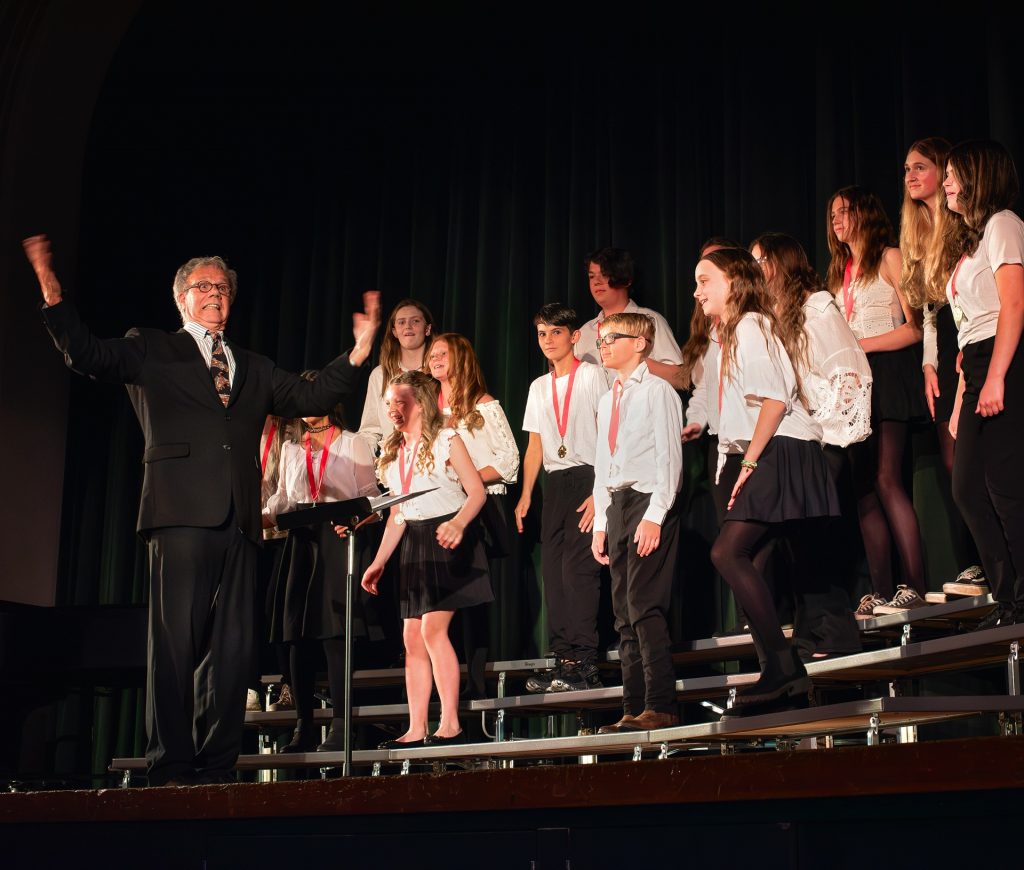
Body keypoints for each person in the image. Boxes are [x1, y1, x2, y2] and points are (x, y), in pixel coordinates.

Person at [22, 234, 380, 785]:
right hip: (179, 512)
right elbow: (88, 354)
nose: (214, 295)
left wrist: (357, 352)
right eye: (203, 287)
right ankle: (172, 763)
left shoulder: (254, 365)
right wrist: (52, 294)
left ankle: (217, 762)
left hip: (240, 519)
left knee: (233, 647)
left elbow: (309, 399)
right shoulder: (152, 346)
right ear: (181, 299)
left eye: (222, 288)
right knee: (175, 642)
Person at [695, 247, 838, 715]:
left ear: (733, 283)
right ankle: (775, 670)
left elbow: (775, 401)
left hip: (781, 447)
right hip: (770, 448)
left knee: (726, 552)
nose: (697, 293)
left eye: (704, 281)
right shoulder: (734, 331)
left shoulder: (750, 325)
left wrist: (750, 465)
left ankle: (783, 665)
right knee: (749, 556)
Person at [750, 232, 870, 658]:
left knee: (816, 539)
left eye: (760, 260)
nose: (755, 269)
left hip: (829, 439)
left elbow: (849, 370)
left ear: (781, 263)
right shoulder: (774, 316)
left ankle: (834, 634)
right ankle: (810, 634)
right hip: (799, 441)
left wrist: (829, 434)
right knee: (797, 541)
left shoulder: (816, 307)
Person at [361, 370, 491, 746]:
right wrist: (380, 561)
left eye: (400, 401)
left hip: (447, 538)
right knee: (411, 636)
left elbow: (477, 492)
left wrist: (459, 523)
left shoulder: (447, 438)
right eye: (388, 403)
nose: (393, 410)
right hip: (415, 542)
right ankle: (416, 727)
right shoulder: (392, 452)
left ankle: (449, 723)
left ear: (419, 402)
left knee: (433, 630)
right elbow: (398, 514)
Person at [262, 372, 379, 752]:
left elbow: (370, 498)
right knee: (295, 633)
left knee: (334, 632)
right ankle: (303, 726)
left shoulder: (352, 442)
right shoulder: (293, 448)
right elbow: (282, 498)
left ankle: (342, 725)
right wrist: (256, 516)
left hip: (336, 538)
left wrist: (355, 522)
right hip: (300, 540)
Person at [826, 187, 928, 618]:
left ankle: (917, 586)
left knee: (888, 479)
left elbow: (915, 328)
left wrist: (862, 344)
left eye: (844, 211)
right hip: (854, 386)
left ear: (866, 213)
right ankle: (882, 591)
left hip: (888, 375)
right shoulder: (839, 272)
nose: (836, 220)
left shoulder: (889, 257)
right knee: (863, 491)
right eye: (832, 214)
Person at [942, 140, 1024, 628]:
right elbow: (966, 330)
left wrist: (996, 378)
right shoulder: (972, 239)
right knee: (966, 487)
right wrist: (961, 399)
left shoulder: (1003, 225)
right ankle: (1008, 597)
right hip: (975, 365)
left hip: (1004, 357)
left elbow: (1013, 307)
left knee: (1006, 486)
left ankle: (1019, 599)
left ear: (979, 177)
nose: (948, 183)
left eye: (954, 174)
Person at [901, 138, 987, 596]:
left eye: (921, 167)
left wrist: (956, 358)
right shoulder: (917, 231)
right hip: (944, 347)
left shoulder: (960, 225)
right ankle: (975, 562)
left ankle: (990, 559)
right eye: (907, 170)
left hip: (970, 338)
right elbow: (930, 310)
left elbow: (969, 295)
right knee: (954, 461)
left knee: (975, 459)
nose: (911, 176)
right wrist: (929, 364)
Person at [591, 312, 683, 734]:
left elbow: (669, 458)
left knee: (645, 608)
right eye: (602, 338)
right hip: (618, 504)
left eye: (613, 337)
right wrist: (601, 522)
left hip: (648, 501)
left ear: (641, 343)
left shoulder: (658, 391)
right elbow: (602, 464)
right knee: (623, 614)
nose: (604, 344)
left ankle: (660, 705)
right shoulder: (610, 397)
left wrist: (655, 515)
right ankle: (632, 708)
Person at [514, 303, 608, 693]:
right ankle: (562, 659)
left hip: (589, 475)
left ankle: (585, 661)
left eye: (555, 332)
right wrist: (524, 496)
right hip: (555, 483)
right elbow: (534, 446)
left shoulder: (592, 376)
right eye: (541, 333)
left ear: (574, 337)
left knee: (578, 571)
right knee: (552, 573)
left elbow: (608, 432)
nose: (548, 340)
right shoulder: (539, 387)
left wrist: (599, 491)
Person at [431, 332, 518, 697]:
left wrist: (465, 477)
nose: (434, 359)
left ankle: (476, 683)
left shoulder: (482, 406)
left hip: (480, 509)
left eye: (442, 353)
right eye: (431, 354)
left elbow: (509, 461)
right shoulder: (428, 409)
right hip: (440, 509)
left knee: (473, 598)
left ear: (461, 358)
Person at [575, 247, 684, 387]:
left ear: (626, 280)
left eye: (605, 274)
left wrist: (634, 361)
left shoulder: (650, 320)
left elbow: (680, 379)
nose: (596, 281)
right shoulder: (584, 332)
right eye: (591, 276)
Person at [358, 298, 434, 456]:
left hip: (434, 463)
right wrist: (364, 464)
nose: (408, 326)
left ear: (427, 329)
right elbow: (370, 431)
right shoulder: (380, 375)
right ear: (394, 332)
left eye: (415, 321)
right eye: (401, 322)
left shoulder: (439, 371)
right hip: (394, 467)